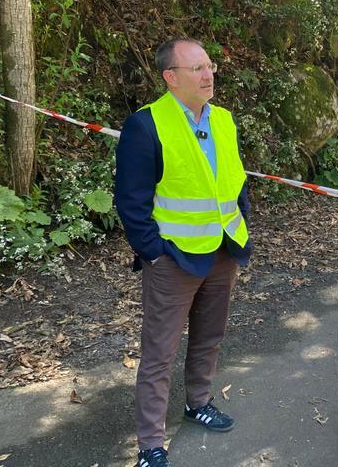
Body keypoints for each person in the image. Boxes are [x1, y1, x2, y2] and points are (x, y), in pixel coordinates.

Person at [114, 37, 252, 467]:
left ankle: (198, 403)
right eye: (196, 69)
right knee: (159, 353)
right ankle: (150, 444)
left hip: (223, 251)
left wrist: (240, 225)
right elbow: (131, 200)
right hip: (173, 259)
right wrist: (153, 252)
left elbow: (235, 179)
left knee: (210, 339)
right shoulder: (146, 124)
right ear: (170, 78)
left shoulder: (225, 120)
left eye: (209, 65)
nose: (208, 74)